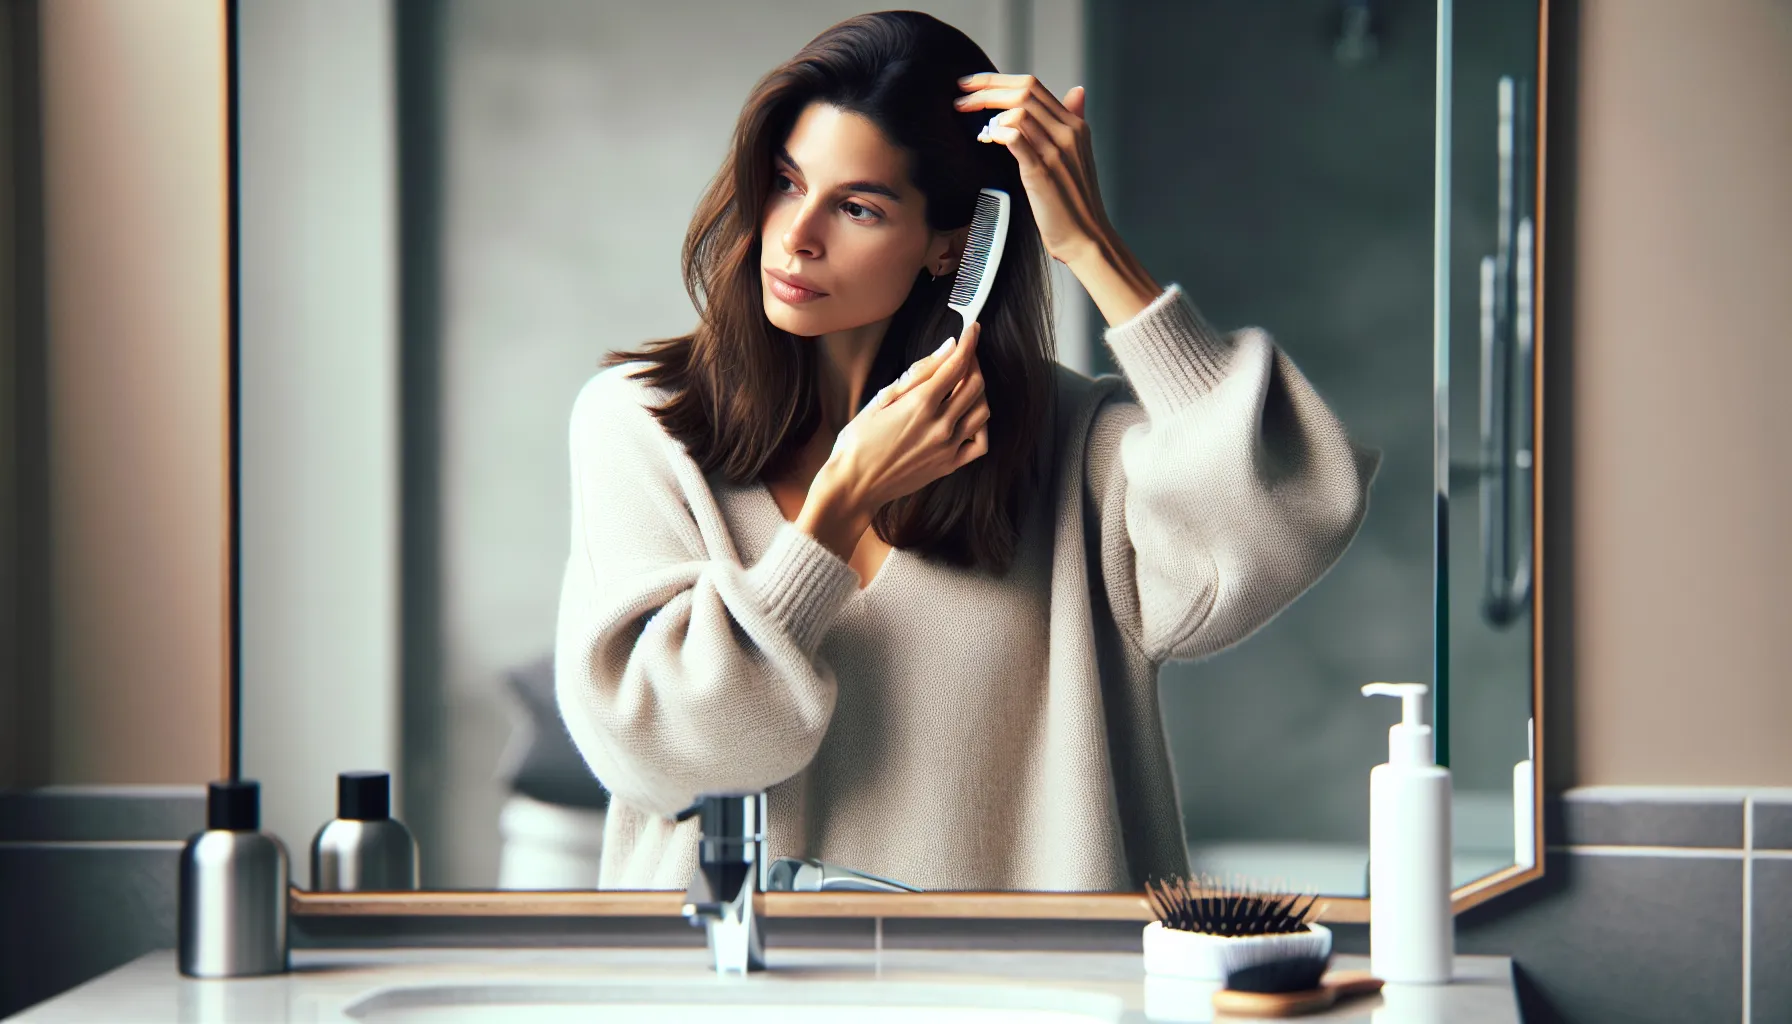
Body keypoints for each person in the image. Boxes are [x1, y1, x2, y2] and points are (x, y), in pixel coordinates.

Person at [554, 11, 1380, 892]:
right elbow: (663, 756)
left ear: (952, 246)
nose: (796, 235)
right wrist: (838, 511)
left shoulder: (1073, 451)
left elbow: (1287, 515)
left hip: (1018, 992)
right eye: (787, 182)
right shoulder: (642, 427)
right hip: (734, 991)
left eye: (858, 206)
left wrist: (1090, 248)